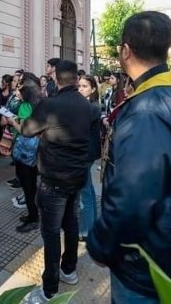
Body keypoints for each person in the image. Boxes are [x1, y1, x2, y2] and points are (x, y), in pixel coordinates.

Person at [87, 11, 171, 303]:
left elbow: (134, 197)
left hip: (146, 262)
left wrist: (101, 244)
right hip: (166, 249)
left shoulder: (148, 108)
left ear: (125, 51)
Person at [18, 60, 92, 303]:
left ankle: (49, 290)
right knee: (70, 224)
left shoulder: (51, 104)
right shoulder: (89, 106)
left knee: (50, 234)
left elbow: (27, 129)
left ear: (57, 79)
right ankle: (68, 269)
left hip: (54, 179)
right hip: (77, 176)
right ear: (74, 79)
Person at [3, 73, 44, 232]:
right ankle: (32, 215)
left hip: (25, 151)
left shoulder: (25, 106)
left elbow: (25, 129)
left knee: (28, 187)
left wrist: (13, 121)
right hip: (35, 152)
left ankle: (33, 218)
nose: (16, 91)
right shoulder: (40, 103)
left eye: (19, 88)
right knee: (31, 185)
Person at [76, 75, 102, 242]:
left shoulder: (91, 107)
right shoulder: (88, 106)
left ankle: (85, 230)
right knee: (88, 189)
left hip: (85, 154)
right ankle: (91, 223)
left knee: (84, 192)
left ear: (93, 89)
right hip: (88, 153)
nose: (80, 89)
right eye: (79, 86)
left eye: (84, 86)